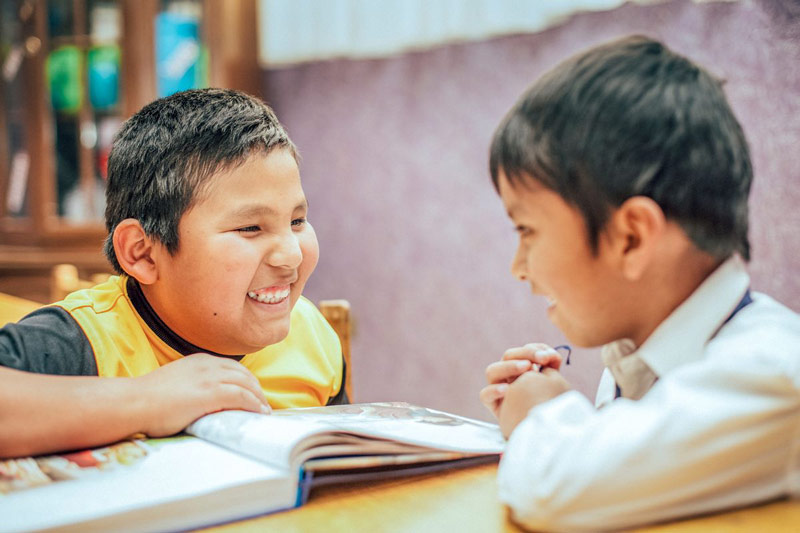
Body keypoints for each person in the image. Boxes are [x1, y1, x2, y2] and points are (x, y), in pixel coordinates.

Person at [479, 36, 800, 531]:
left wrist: (539, 413)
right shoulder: (640, 360)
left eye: (527, 231)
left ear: (631, 237)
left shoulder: (772, 373)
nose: (518, 267)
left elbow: (555, 490)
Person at [0, 88, 347, 459]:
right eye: (250, 228)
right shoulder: (85, 342)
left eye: (297, 220)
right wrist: (146, 400)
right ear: (143, 253)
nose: (291, 255)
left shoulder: (310, 336)